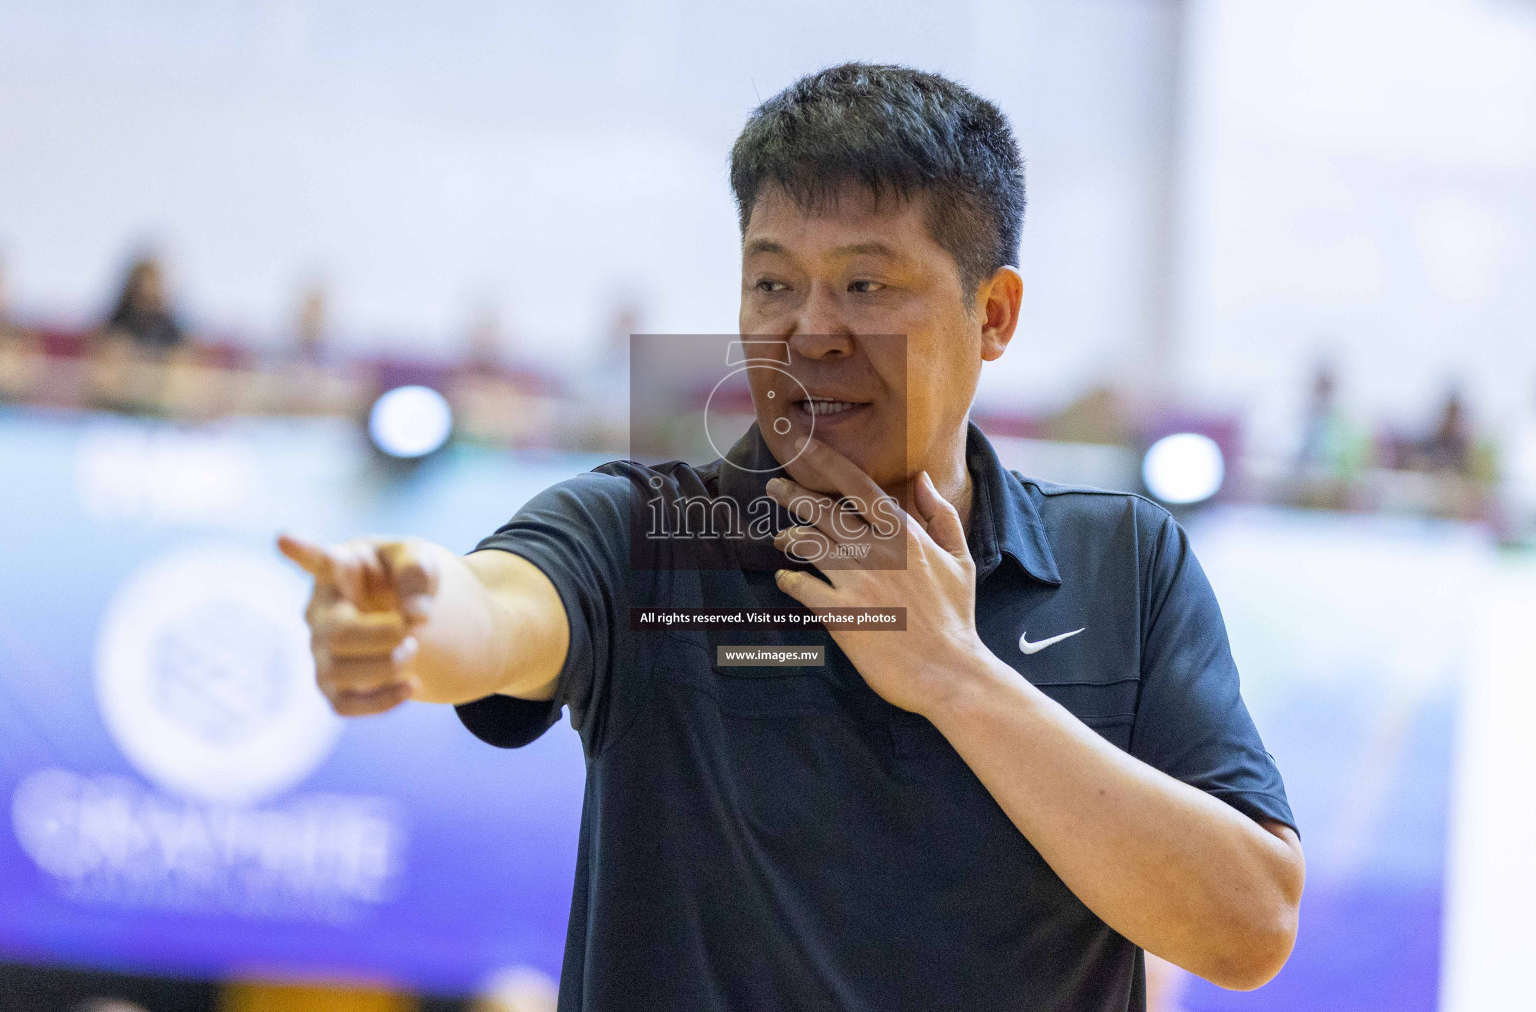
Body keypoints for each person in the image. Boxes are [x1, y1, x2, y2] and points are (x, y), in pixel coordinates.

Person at [280, 64, 1303, 1011]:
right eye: (773, 283)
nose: (809, 332)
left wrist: (952, 674)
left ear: (993, 314)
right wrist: (411, 608)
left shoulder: (1122, 565)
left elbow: (1248, 927)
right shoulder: (644, 533)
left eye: (866, 285)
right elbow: (494, 611)